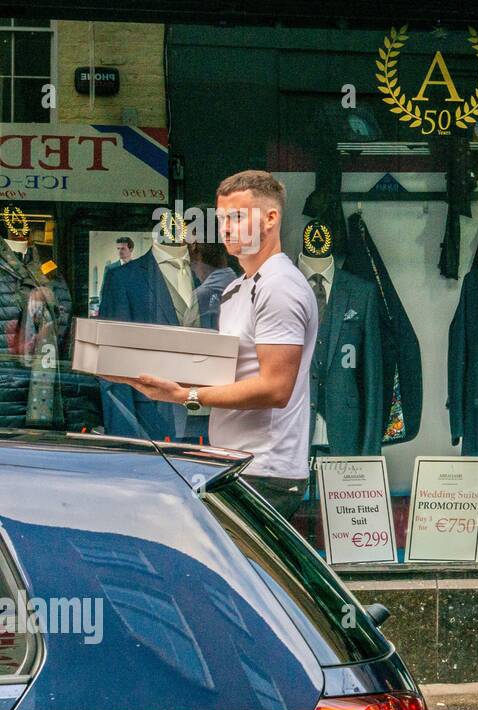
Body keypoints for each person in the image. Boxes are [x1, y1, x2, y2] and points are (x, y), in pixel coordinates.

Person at [105, 170, 319, 520]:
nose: (226, 229)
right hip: (235, 463)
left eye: (237, 217)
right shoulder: (238, 287)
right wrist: (157, 377)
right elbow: (228, 372)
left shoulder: (279, 286)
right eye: (221, 220)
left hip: (265, 470)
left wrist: (183, 396)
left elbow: (276, 388)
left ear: (270, 218)